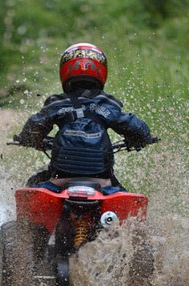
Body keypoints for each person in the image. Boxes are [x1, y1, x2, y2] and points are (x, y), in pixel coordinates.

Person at [14, 42, 157, 193]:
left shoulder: (57, 103)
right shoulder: (107, 103)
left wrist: (28, 139)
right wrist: (143, 138)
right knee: (124, 198)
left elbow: (36, 125)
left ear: (65, 71)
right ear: (102, 71)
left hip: (59, 178)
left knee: (33, 184)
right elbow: (133, 125)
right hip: (103, 181)